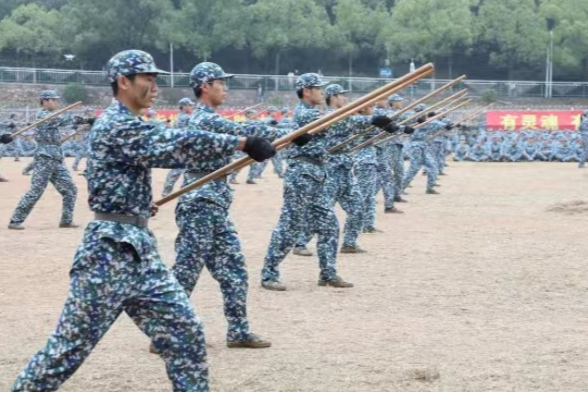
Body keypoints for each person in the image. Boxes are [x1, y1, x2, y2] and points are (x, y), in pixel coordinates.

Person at [10, 49, 275, 393]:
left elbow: (125, 171)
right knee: (66, 351)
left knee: (185, 332)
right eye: (147, 79)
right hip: (107, 255)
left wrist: (136, 205)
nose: (154, 86)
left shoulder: (132, 122)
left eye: (155, 79)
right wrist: (241, 142)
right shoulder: (117, 123)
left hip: (139, 250)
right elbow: (174, 143)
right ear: (123, 82)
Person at [8, 90, 80, 230]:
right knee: (36, 191)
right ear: (45, 101)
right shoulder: (43, 115)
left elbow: (60, 126)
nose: (56, 102)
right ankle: (15, 220)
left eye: (56, 99)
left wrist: (83, 122)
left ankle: (66, 220)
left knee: (70, 189)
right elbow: (61, 120)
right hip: (44, 158)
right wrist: (79, 119)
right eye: (53, 99)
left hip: (56, 158)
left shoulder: (52, 116)